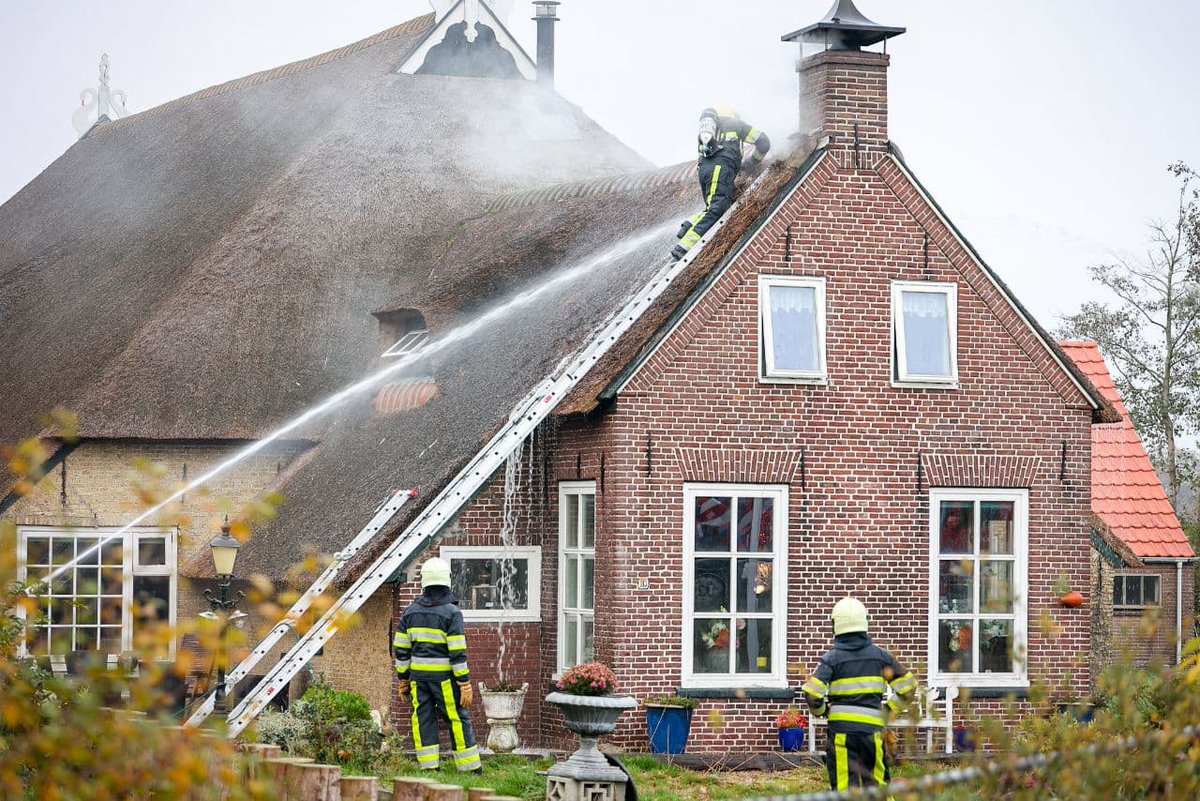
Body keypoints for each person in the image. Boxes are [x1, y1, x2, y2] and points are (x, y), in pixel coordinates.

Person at [801, 598, 916, 793]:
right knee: (877, 784)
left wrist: (821, 711)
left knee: (845, 787)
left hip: (841, 733)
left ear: (835, 625)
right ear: (865, 622)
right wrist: (887, 711)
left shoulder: (831, 659)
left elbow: (812, 692)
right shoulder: (881, 656)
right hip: (872, 732)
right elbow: (909, 687)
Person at [393, 557, 481, 772]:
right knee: (457, 718)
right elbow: (457, 652)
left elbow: (401, 650)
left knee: (423, 719)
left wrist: (403, 679)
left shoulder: (410, 611)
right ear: (447, 580)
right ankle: (469, 768)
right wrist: (464, 683)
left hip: (418, 679)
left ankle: (429, 766)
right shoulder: (452, 612)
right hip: (445, 680)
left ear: (424, 582)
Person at [670, 106, 770, 260]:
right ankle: (682, 248)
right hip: (720, 168)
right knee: (717, 208)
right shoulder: (736, 125)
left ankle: (689, 224)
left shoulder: (713, 130)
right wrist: (752, 162)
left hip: (704, 170)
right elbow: (764, 142)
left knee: (712, 207)